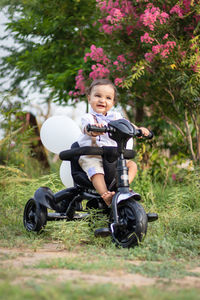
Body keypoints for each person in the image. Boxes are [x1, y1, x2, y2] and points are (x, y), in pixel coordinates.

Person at [77, 79, 150, 206]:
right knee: (95, 169)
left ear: (113, 102)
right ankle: (106, 195)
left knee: (132, 165)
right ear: (89, 98)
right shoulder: (88, 117)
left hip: (114, 155)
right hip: (94, 154)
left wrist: (138, 130)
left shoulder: (116, 116)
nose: (102, 100)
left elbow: (127, 125)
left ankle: (122, 188)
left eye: (108, 98)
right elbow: (86, 128)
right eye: (97, 96)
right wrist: (94, 129)